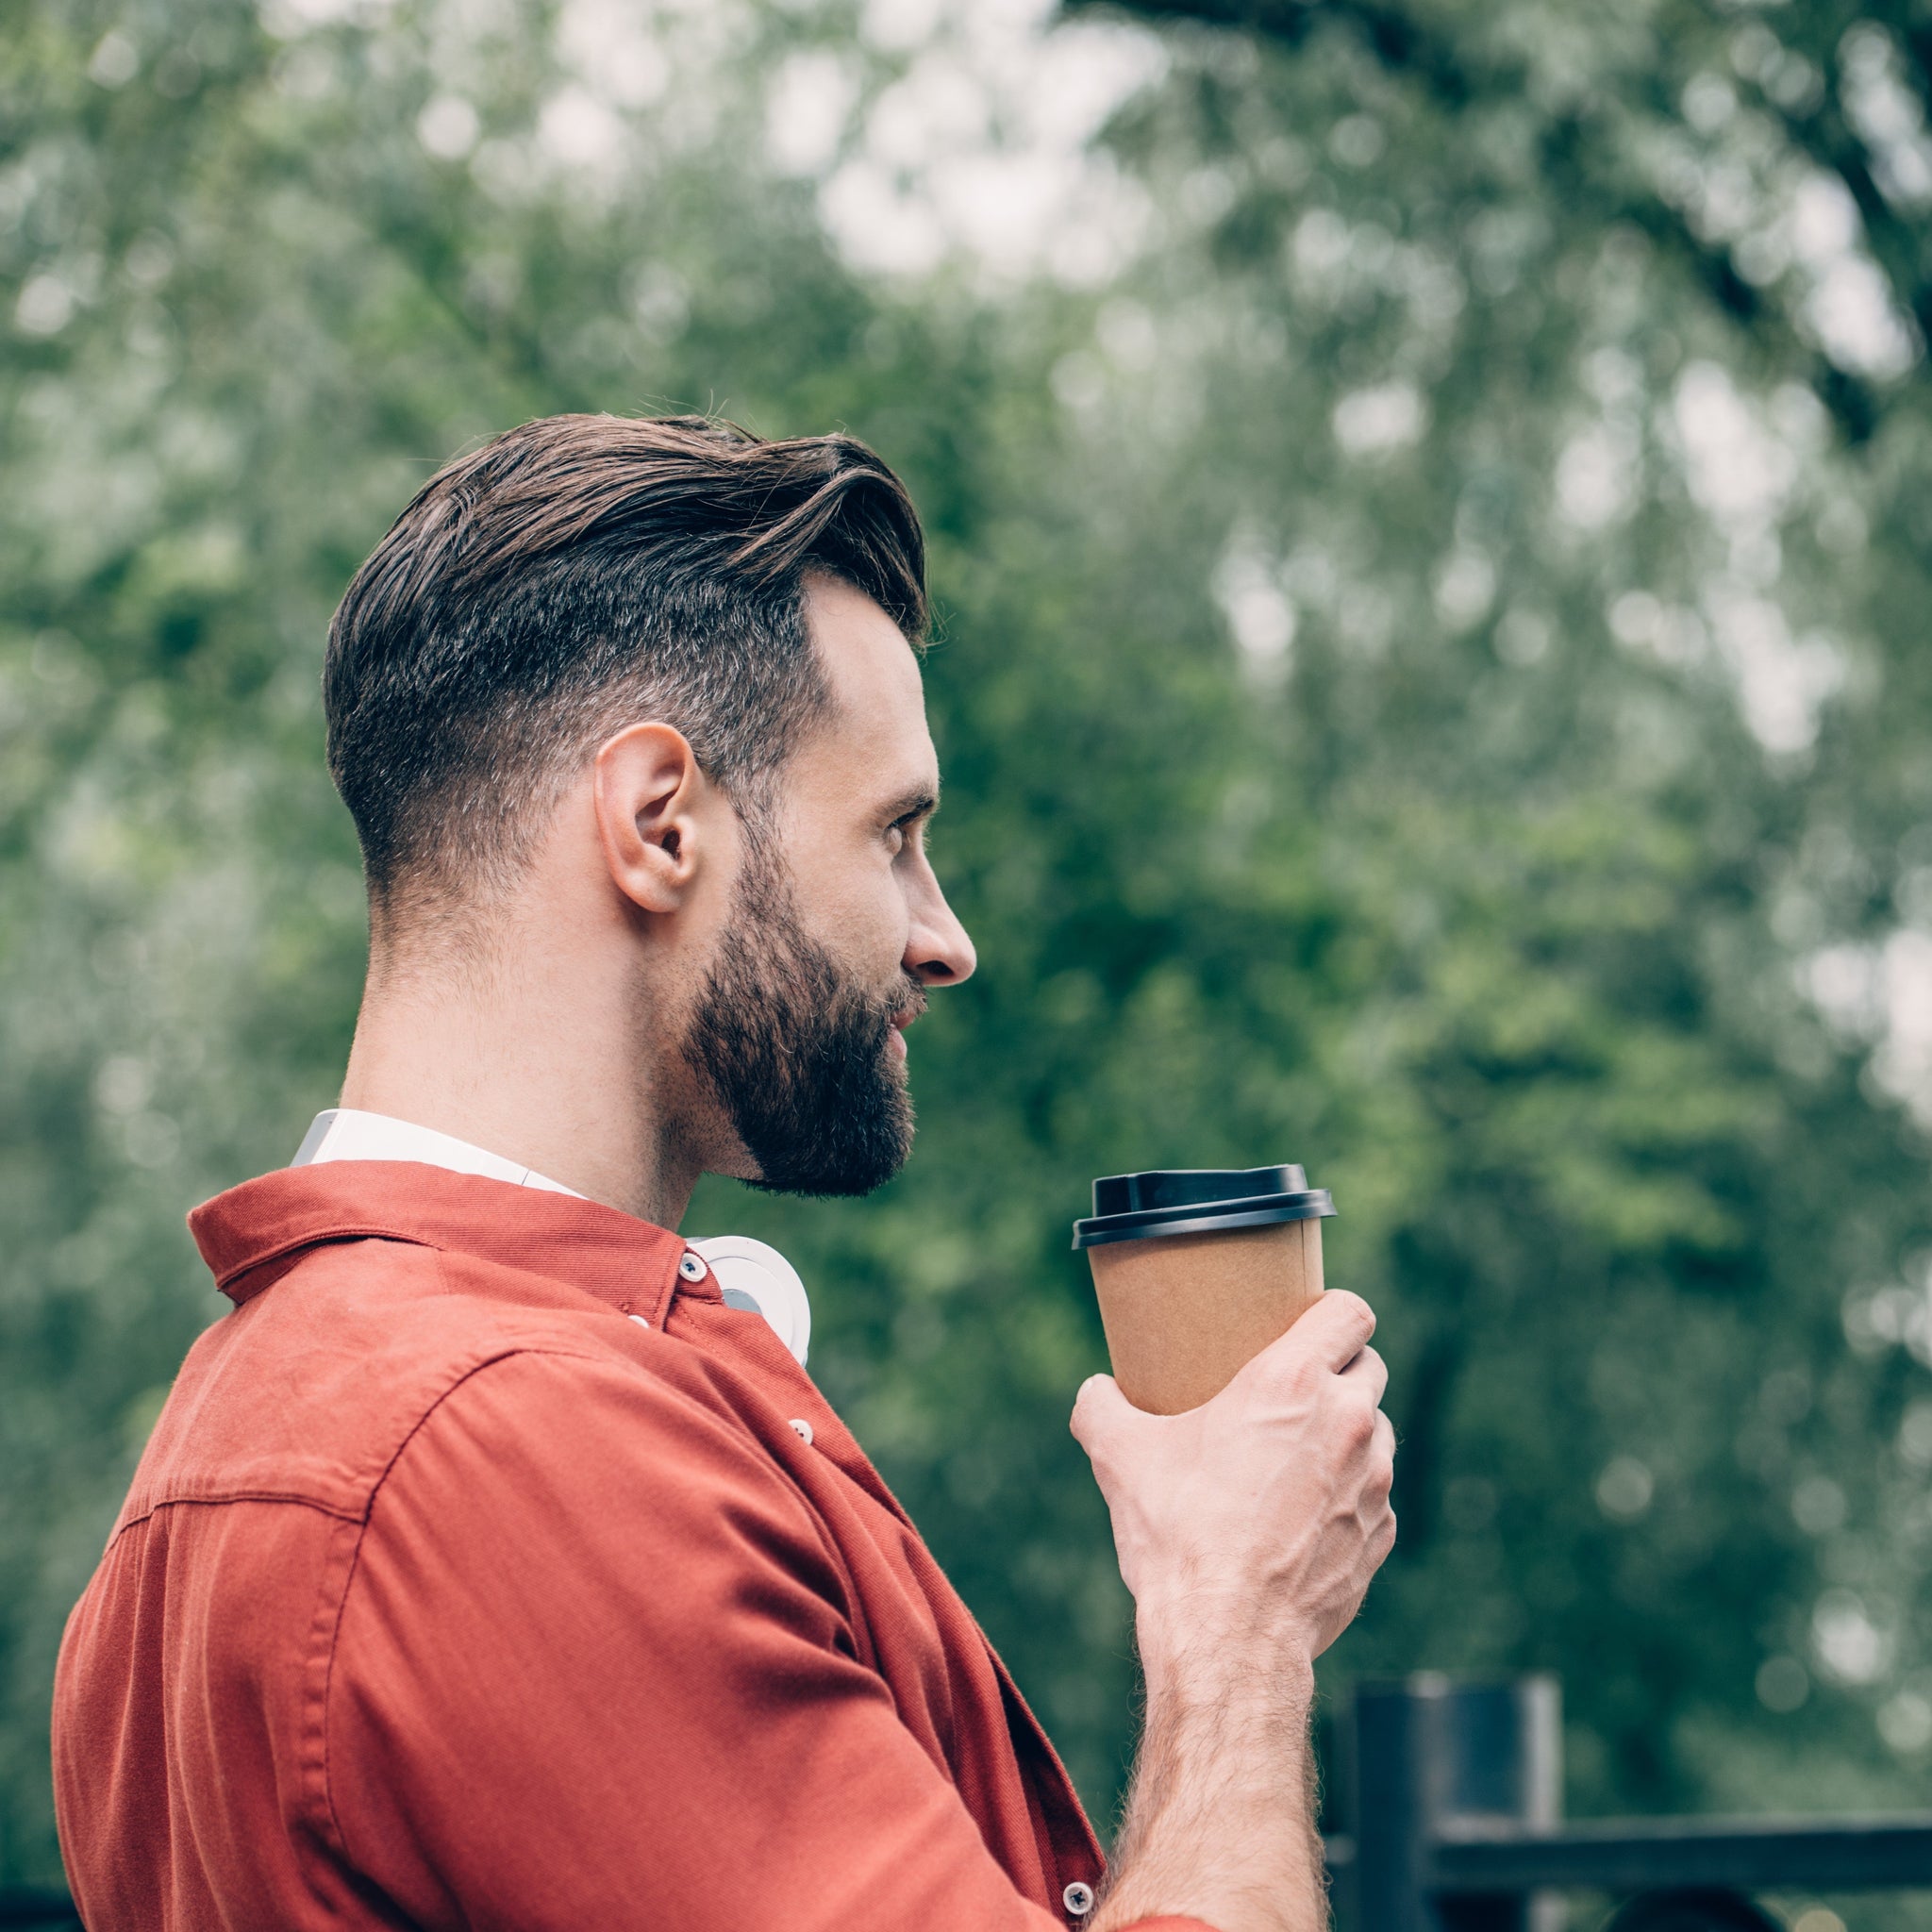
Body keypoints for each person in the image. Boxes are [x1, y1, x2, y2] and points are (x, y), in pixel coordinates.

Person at [51, 415, 1396, 1932]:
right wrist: (1239, 1620)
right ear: (658, 822)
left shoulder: (224, 1433)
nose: (945, 937)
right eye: (893, 834)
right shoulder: (511, 1444)